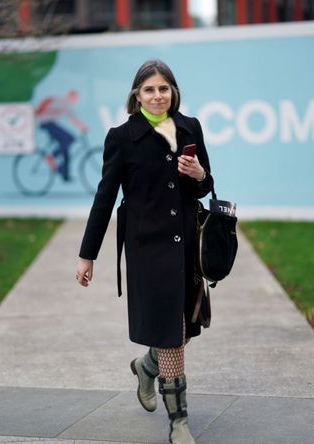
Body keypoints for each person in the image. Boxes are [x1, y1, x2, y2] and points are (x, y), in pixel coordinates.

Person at [76, 59, 214, 444]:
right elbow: (104, 199)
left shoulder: (191, 128)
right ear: (137, 95)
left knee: (182, 329)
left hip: (186, 247)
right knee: (171, 335)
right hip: (147, 251)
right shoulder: (122, 137)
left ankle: (146, 366)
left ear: (174, 92)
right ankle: (180, 423)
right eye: (149, 89)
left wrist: (200, 175)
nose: (157, 95)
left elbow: (207, 187)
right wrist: (88, 255)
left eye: (164, 88)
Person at [35, 90, 88, 181]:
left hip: (48, 123)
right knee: (70, 139)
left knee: (66, 148)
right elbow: (73, 118)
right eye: (74, 98)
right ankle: (52, 156)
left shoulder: (61, 102)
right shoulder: (64, 103)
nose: (75, 100)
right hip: (47, 123)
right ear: (70, 97)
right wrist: (83, 127)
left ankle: (65, 174)